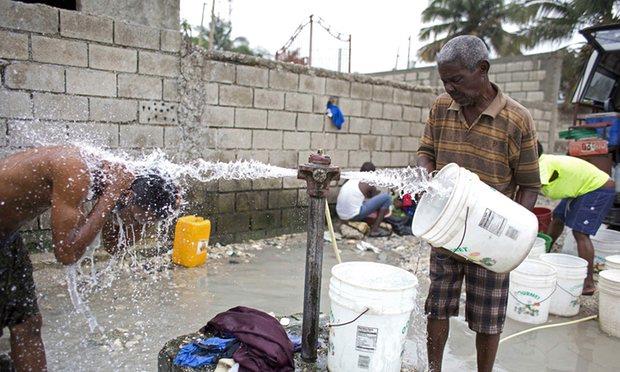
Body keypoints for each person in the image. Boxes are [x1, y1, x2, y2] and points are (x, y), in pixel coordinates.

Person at [417, 35, 540, 372]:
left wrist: (512, 231)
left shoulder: (518, 120)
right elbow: (426, 152)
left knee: (488, 317)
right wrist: (428, 175)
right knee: (437, 307)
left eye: (456, 79)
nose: (450, 88)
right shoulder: (442, 107)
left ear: (482, 69)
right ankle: (433, 369)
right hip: (446, 228)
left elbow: (529, 185)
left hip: (491, 237)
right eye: (445, 80)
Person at [0, 146, 180, 371]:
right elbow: (66, 253)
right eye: (135, 218)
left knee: (27, 324)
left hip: (8, 237)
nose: (134, 225)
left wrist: (167, 207)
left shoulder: (120, 181)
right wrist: (111, 193)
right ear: (127, 196)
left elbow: (114, 245)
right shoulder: (75, 169)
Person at [538, 141, 615, 295]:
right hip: (581, 190)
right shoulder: (542, 161)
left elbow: (531, 191)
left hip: (597, 188)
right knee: (558, 218)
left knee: (580, 232)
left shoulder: (542, 165)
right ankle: (543, 255)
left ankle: (588, 283)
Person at [336, 162, 392, 237]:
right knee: (387, 198)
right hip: (353, 215)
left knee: (363, 202)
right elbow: (374, 197)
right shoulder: (369, 183)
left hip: (340, 214)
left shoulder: (351, 179)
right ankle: (374, 230)